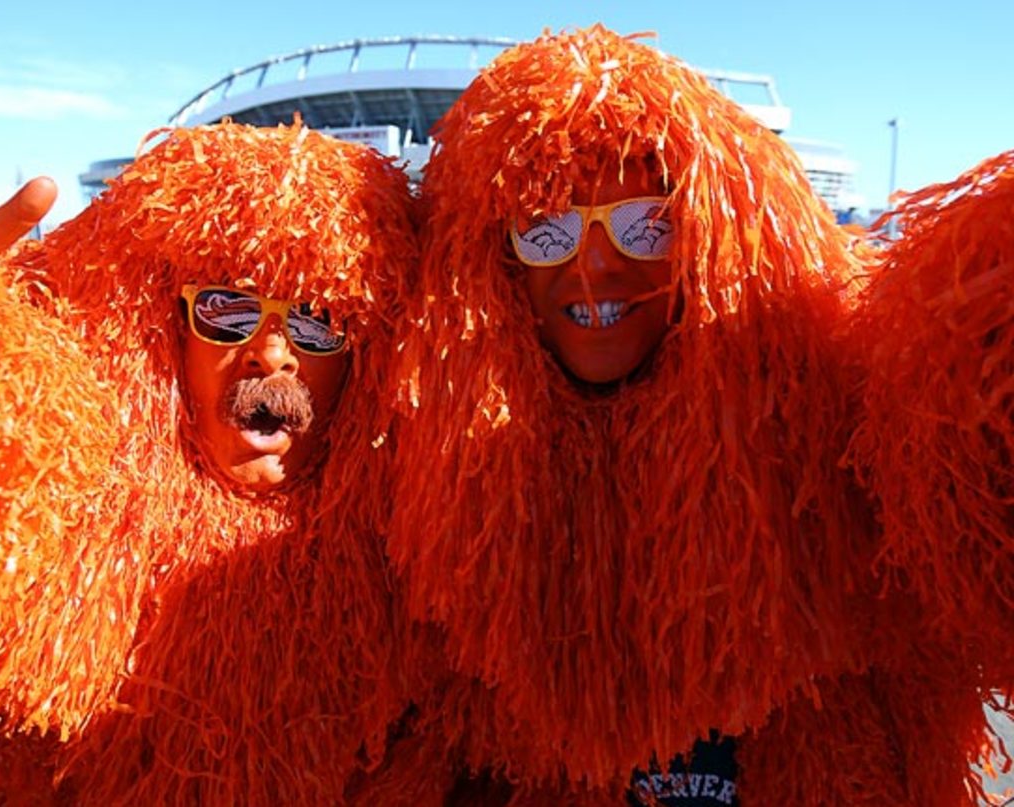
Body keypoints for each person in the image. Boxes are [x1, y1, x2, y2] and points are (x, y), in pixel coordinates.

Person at [343, 25, 999, 805]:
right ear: (496, 262)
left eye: (642, 225)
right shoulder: (417, 475)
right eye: (547, 231)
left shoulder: (832, 441)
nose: (593, 266)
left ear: (707, 240)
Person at [0, 97, 420, 804]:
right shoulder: (33, 532)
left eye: (319, 322)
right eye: (226, 308)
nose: (273, 354)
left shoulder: (425, 588)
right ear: (161, 335)